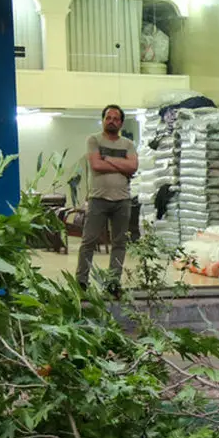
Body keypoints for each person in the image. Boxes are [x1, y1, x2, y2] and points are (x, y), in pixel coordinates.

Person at [78, 104, 138, 296]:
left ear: (121, 123)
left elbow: (133, 167)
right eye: (108, 118)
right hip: (98, 199)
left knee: (119, 243)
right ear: (103, 120)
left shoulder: (128, 144)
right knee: (88, 242)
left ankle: (113, 283)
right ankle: (81, 282)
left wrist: (108, 159)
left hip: (122, 200)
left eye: (116, 118)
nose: (112, 121)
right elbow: (96, 165)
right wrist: (122, 164)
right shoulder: (94, 140)